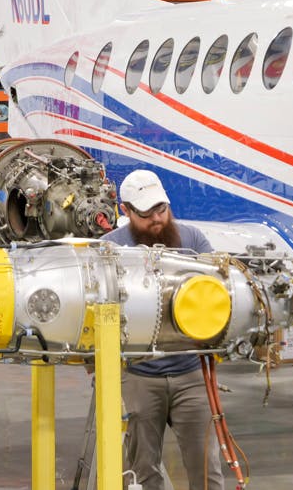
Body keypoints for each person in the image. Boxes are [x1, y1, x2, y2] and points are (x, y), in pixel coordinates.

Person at [101, 169, 222, 490]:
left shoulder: (193, 240)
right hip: (139, 376)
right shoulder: (109, 249)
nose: (156, 220)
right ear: (125, 211)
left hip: (190, 373)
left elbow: (219, 292)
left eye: (161, 209)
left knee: (207, 470)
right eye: (145, 213)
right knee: (143, 470)